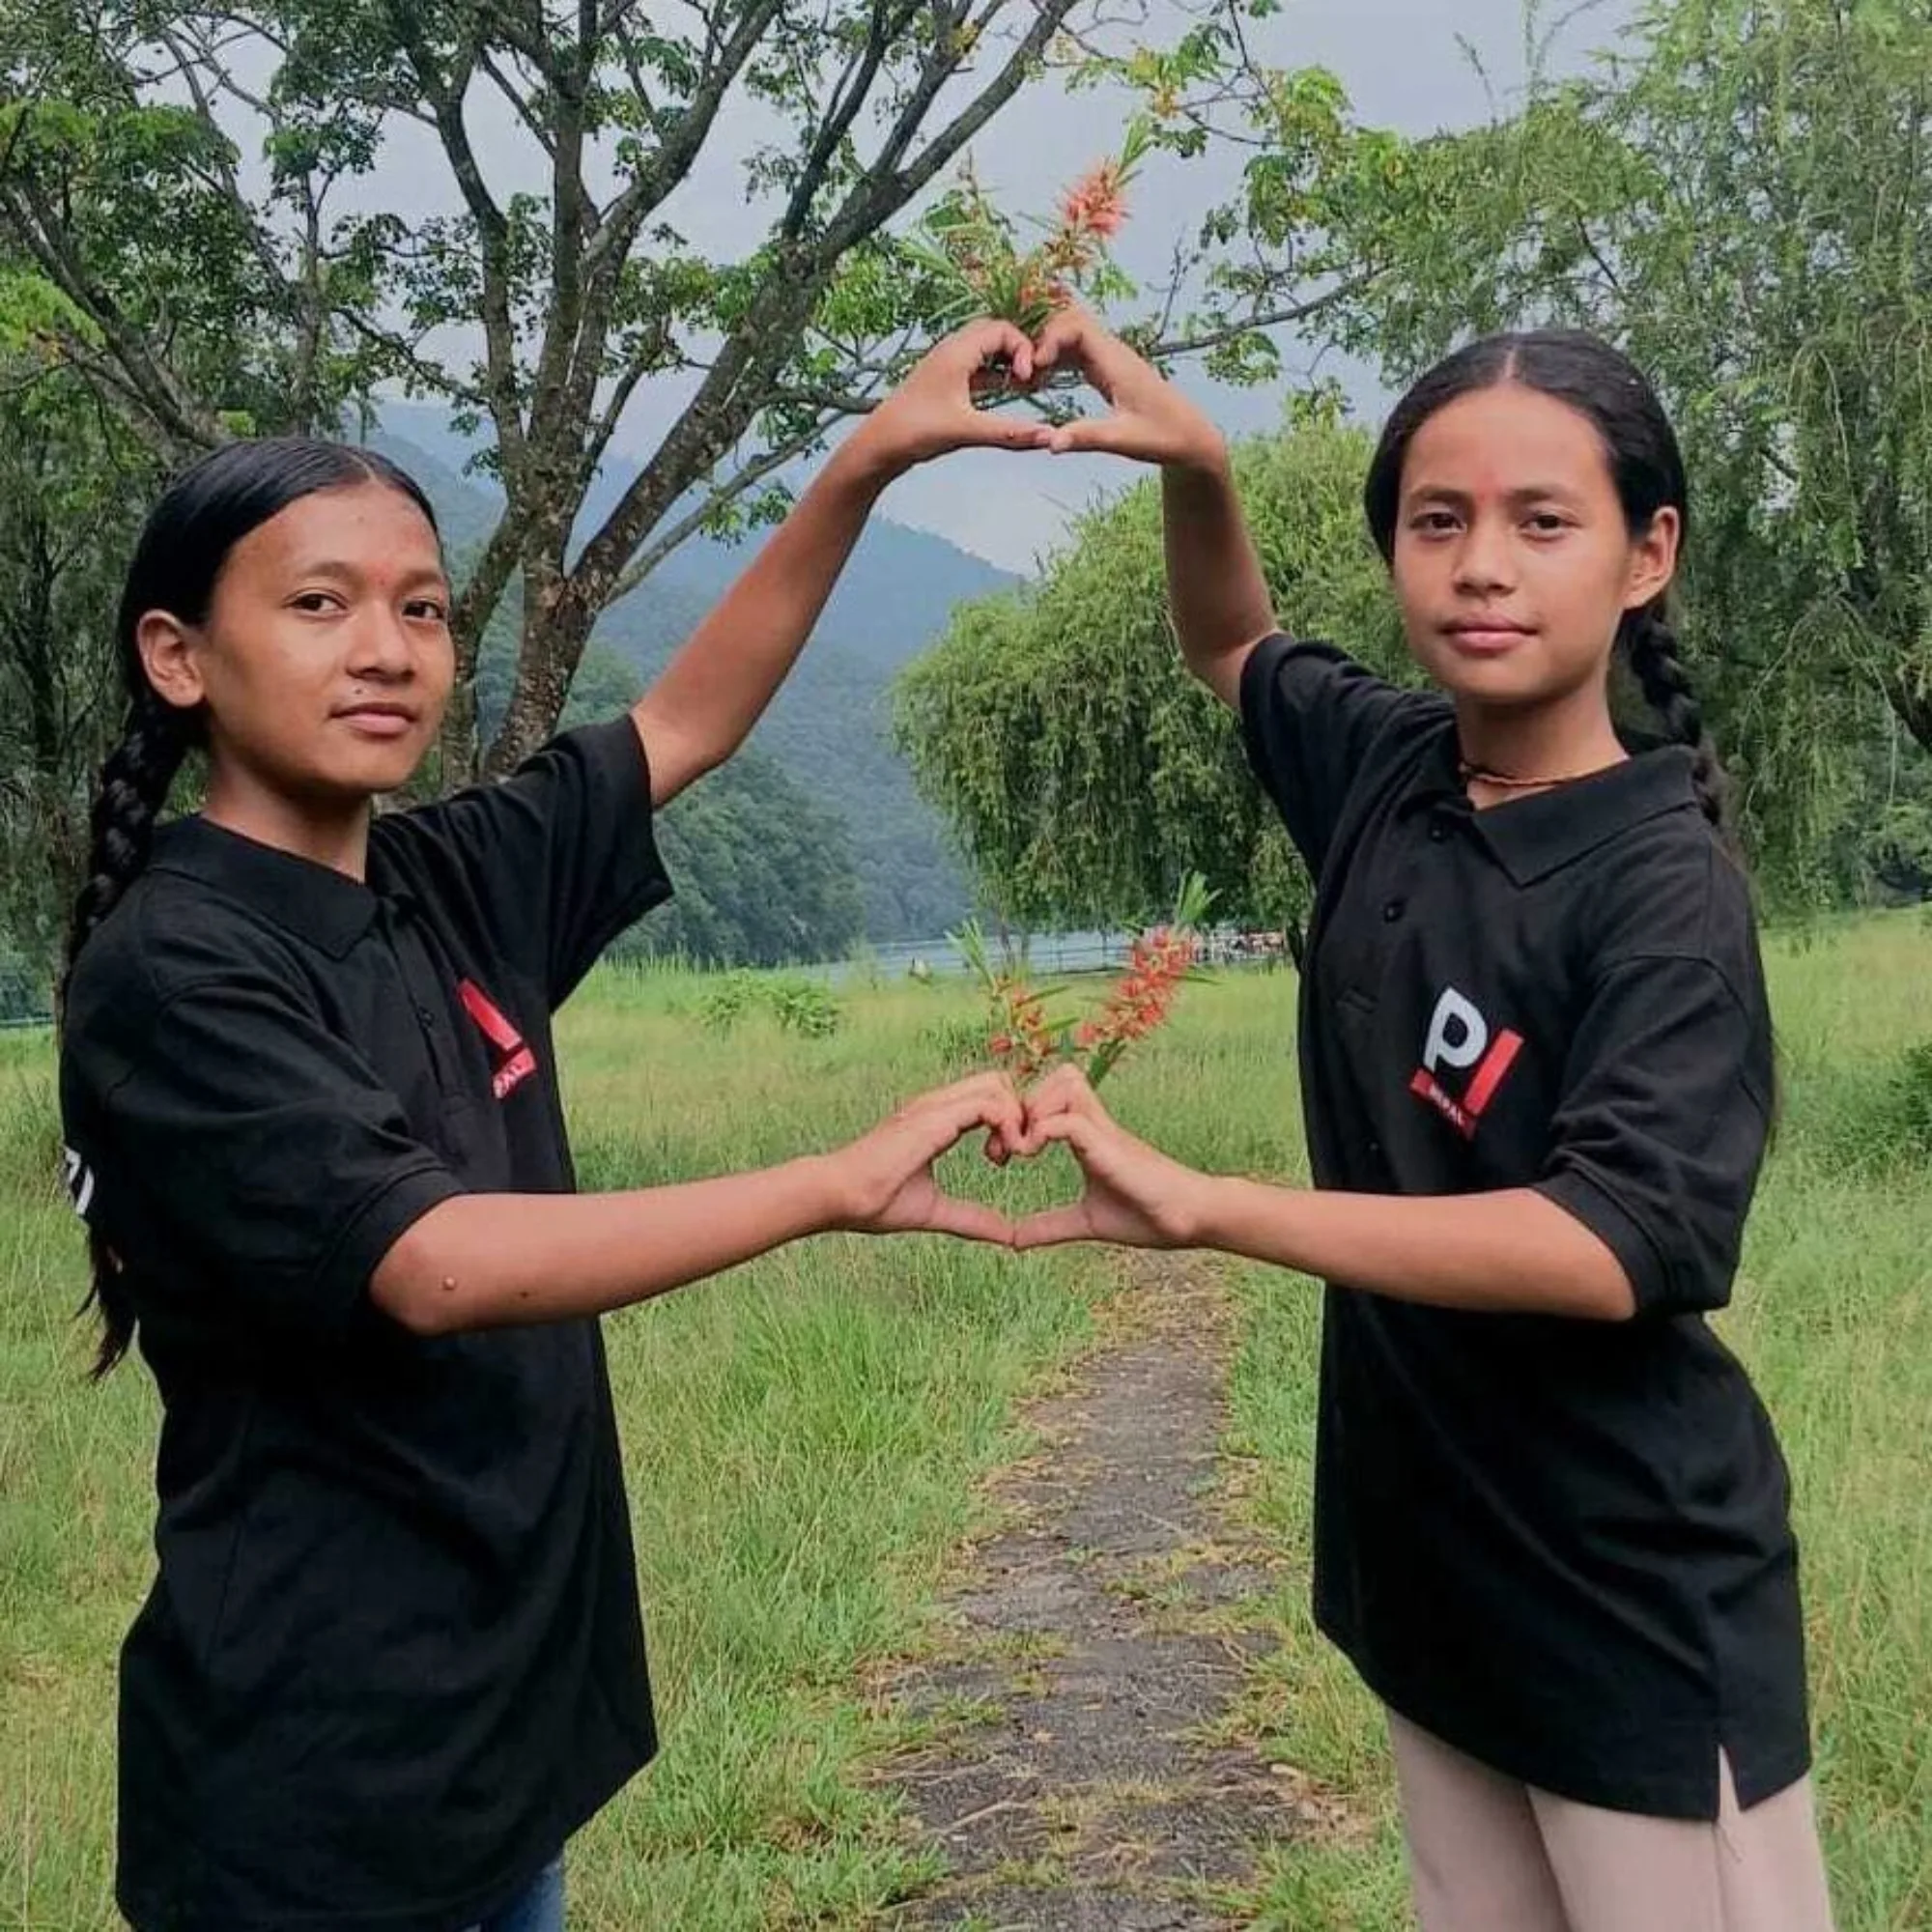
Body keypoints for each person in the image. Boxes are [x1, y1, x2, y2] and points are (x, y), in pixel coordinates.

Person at [56, 321, 1039, 1932]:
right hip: (321, 1785)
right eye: (319, 605)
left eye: (422, 610)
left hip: (496, 1735)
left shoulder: (439, 881)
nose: (385, 648)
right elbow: (432, 1262)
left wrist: (871, 457)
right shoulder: (172, 970)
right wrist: (831, 1181)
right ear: (180, 655)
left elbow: (688, 723)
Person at [1004, 309, 1835, 1932]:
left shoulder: (1662, 889)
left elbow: (1613, 1242)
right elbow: (1230, 640)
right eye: (1436, 521)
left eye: (1544, 522)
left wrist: (1206, 1205)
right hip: (1429, 1574)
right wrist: (1198, 463)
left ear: (1646, 554)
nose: (1481, 566)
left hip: (1629, 1612)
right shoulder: (1390, 771)